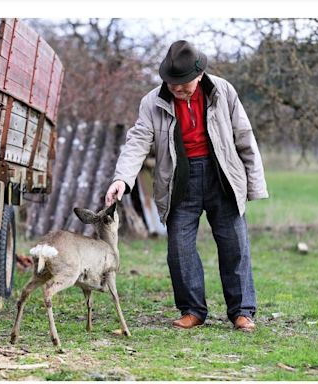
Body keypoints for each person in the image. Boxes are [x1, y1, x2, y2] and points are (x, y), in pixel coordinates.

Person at [105, 40, 268, 332]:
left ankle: (242, 312)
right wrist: (122, 179)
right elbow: (138, 141)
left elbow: (245, 137)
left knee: (235, 246)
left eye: (184, 85)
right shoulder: (152, 102)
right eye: (172, 84)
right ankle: (192, 310)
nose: (178, 90)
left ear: (200, 75)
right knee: (179, 249)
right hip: (179, 180)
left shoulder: (223, 91)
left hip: (222, 176)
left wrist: (254, 185)